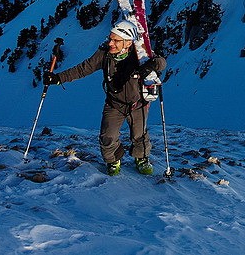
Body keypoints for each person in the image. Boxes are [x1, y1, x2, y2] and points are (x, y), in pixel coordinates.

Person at [44, 20, 166, 175]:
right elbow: (83, 69)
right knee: (108, 135)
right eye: (110, 38)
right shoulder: (104, 55)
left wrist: (150, 66)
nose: (110, 43)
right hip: (114, 104)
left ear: (128, 43)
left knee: (139, 134)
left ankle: (141, 158)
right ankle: (114, 160)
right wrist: (58, 78)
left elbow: (161, 62)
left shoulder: (140, 54)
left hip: (138, 104)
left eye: (116, 40)